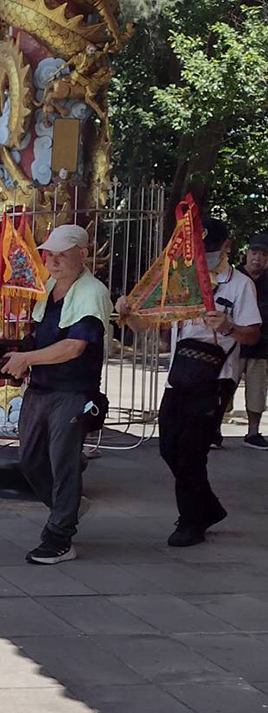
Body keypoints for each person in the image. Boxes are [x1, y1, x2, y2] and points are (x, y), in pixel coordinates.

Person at [119, 216, 261, 547]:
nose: (203, 255)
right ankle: (208, 507)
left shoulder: (239, 285)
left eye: (209, 249)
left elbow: (253, 334)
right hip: (179, 375)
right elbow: (146, 324)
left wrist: (227, 327)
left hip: (215, 379)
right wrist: (127, 312)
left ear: (226, 247)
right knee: (168, 446)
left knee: (191, 453)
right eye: (198, 248)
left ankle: (191, 520)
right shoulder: (181, 281)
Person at [0, 224, 111, 564]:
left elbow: (74, 347)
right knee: (30, 459)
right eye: (51, 254)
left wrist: (27, 359)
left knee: (63, 464)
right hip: (41, 388)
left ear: (83, 254)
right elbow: (40, 336)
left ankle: (60, 536)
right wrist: (12, 354)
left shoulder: (92, 291)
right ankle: (68, 507)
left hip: (71, 391)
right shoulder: (48, 287)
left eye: (64, 254)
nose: (55, 260)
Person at [239, 233, 268, 449]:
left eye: (263, 254)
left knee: (257, 389)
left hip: (261, 345)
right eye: (254, 252)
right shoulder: (234, 277)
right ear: (246, 254)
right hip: (234, 342)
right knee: (224, 387)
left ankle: (253, 432)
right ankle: (214, 430)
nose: (257, 258)